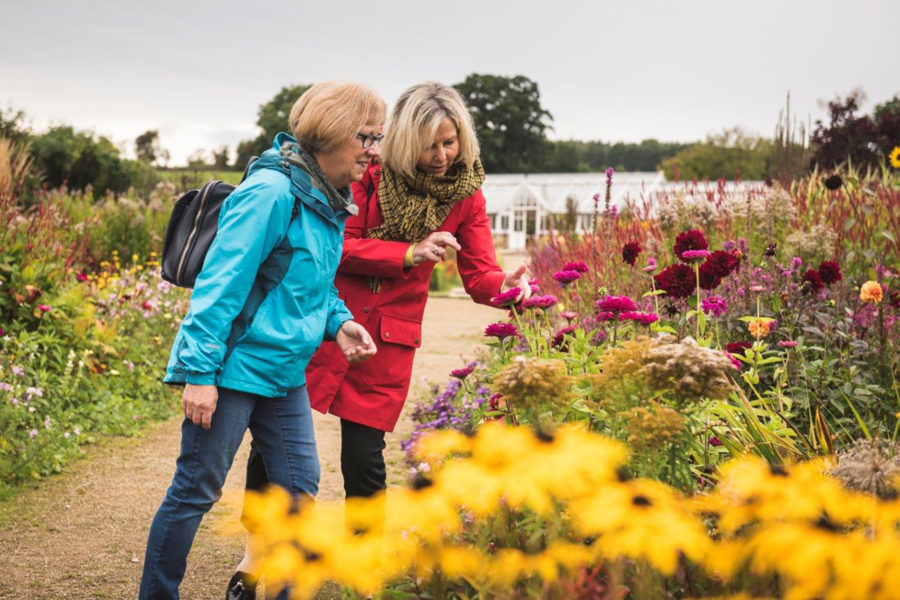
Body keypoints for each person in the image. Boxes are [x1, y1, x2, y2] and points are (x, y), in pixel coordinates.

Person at [228, 81, 530, 599]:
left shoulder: (465, 195)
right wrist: (408, 254)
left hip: (388, 338)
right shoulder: (365, 175)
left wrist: (514, 290)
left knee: (364, 460)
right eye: (430, 145)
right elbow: (336, 246)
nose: (440, 156)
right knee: (272, 443)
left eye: (450, 143)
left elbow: (481, 276)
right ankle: (255, 556)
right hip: (328, 321)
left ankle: (360, 572)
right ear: (405, 141)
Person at [139, 81, 385, 600]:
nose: (375, 151)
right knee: (195, 492)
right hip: (231, 369)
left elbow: (310, 283)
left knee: (299, 491)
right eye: (367, 137)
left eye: (378, 137)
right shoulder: (271, 193)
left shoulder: (326, 195)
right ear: (333, 132)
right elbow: (218, 287)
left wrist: (339, 322)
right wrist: (200, 374)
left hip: (283, 371)